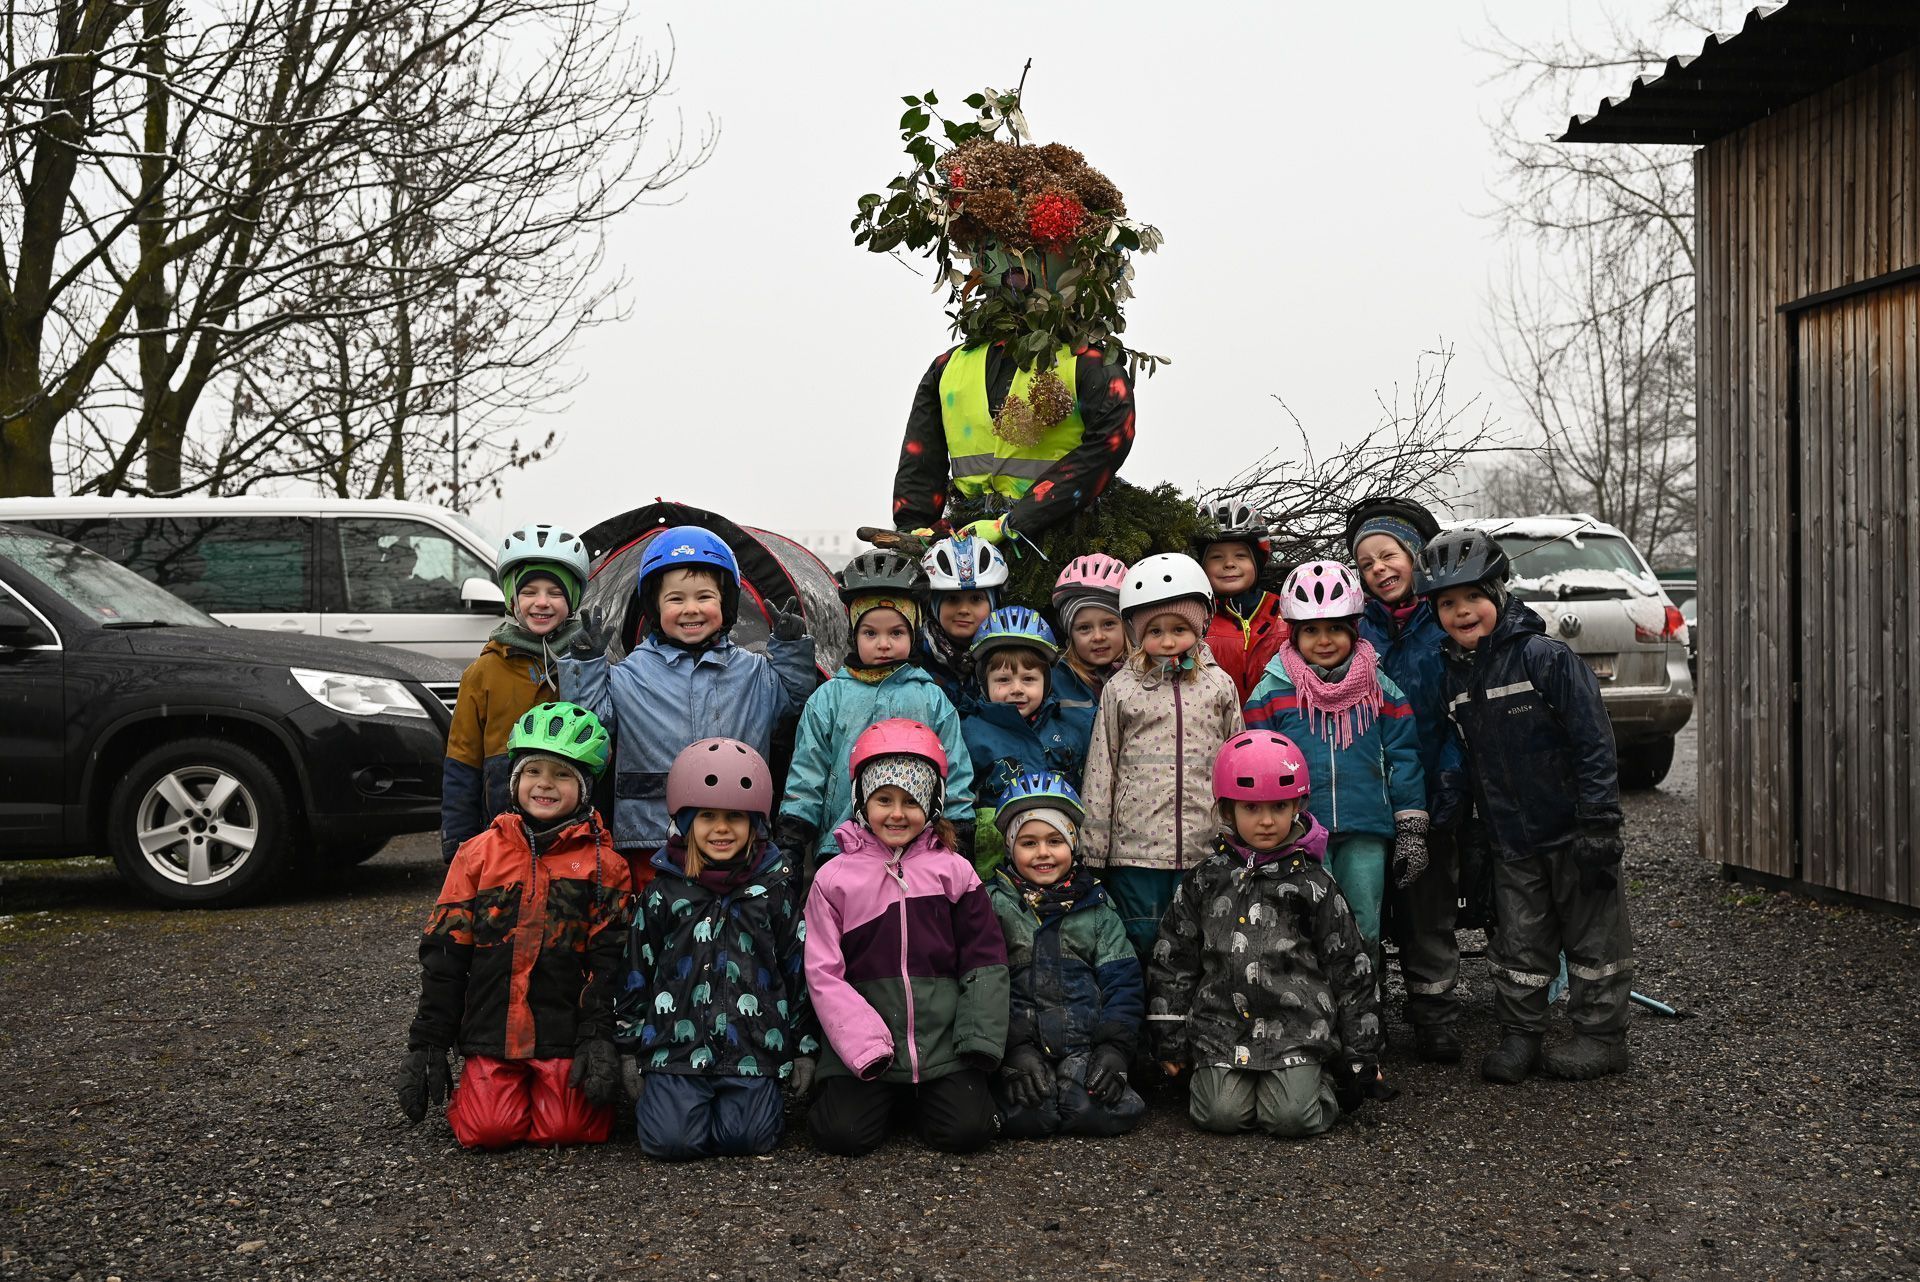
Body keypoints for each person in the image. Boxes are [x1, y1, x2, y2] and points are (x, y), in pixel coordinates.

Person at [1418, 528, 1634, 1084]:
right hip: (1511, 841)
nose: (1462, 612)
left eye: (1473, 597)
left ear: (1498, 593)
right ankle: (1521, 1034)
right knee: (1519, 942)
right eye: (1447, 603)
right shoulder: (1451, 677)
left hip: (1572, 833)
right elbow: (1461, 757)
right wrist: (1450, 818)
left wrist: (1600, 823)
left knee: (1594, 940)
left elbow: (1594, 742)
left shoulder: (1545, 658)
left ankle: (1601, 1037)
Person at [398, 702, 632, 1150]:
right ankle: (486, 1088)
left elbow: (610, 963)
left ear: (585, 788)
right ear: (514, 780)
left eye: (562, 775)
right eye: (533, 771)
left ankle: (549, 1090)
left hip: (561, 1034)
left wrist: (597, 1036)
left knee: (569, 1130)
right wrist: (428, 1040)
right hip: (493, 1032)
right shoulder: (477, 855)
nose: (545, 784)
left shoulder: (606, 866)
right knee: (489, 1131)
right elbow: (445, 954)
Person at [1147, 731, 1388, 1138]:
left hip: (1297, 1029)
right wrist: (1169, 1038)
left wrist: (1361, 1054)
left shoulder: (1314, 883)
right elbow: (1174, 958)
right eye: (1252, 807)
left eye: (1279, 806)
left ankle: (1321, 1080)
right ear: (1227, 808)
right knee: (1219, 1115)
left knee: (1291, 1119)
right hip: (1221, 1028)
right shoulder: (1205, 881)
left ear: (1297, 806)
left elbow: (1350, 964)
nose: (1266, 820)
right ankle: (1233, 1084)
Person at [560, 526, 815, 889]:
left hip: (738, 839)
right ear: (653, 606)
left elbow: (795, 705)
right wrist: (586, 665)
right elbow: (586, 727)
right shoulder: (628, 675)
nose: (691, 609)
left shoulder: (756, 673)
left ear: (727, 603)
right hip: (651, 842)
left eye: (704, 597)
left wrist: (790, 649)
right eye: (675, 599)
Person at [804, 719, 1008, 1156]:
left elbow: (985, 958)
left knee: (968, 1132)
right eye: (884, 800)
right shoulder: (833, 879)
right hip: (864, 1044)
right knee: (842, 1135)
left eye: (911, 801)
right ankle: (883, 1097)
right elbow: (823, 973)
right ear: (861, 800)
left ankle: (921, 1098)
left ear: (933, 804)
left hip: (941, 1044)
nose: (897, 814)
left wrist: (976, 1038)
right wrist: (862, 1046)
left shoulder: (954, 871)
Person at [616, 738, 817, 1160]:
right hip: (675, 1049)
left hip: (753, 1049)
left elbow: (797, 970)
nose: (721, 828)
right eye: (707, 816)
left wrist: (803, 1047)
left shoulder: (774, 891)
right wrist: (629, 1047)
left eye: (734, 817)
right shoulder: (663, 893)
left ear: (755, 824)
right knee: (671, 1143)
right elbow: (637, 969)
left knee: (746, 1140)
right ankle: (679, 1103)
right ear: (686, 821)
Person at [1243, 560, 1428, 966]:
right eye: (1311, 630)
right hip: (1300, 829)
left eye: (1335, 629)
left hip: (1366, 827)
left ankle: (1364, 997)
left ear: (1353, 630)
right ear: (1294, 634)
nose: (1324, 640)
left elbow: (1403, 756)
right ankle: (1311, 1002)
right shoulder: (1271, 691)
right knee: (1305, 924)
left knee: (1363, 924)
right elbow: (1255, 759)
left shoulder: (1380, 688)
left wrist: (1411, 827)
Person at [1080, 553, 1246, 960]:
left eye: (1179, 629)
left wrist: (1238, 833)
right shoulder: (1121, 688)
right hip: (1136, 849)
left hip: (1205, 844)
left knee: (1203, 943)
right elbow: (1102, 766)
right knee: (1144, 943)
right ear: (1137, 632)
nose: (1168, 641)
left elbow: (1236, 759)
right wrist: (1093, 846)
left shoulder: (1218, 685)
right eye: (1155, 630)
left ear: (1200, 626)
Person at [1347, 495, 1465, 1064]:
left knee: (1427, 912)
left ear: (1416, 555)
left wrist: (1451, 782)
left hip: (1433, 787)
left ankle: (1434, 1013)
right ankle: (1364, 1015)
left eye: (1388, 555)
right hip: (1368, 795)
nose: (1379, 569)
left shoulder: (1442, 621)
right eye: (1366, 563)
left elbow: (1460, 710)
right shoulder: (1355, 627)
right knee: (1363, 911)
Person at [778, 550, 975, 872]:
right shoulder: (829, 698)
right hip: (843, 846)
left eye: (896, 633)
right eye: (870, 633)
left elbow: (954, 768)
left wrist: (960, 829)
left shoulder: (932, 699)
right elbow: (808, 770)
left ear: (913, 634)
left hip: (920, 847)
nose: (883, 644)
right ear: (854, 635)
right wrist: (793, 837)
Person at [986, 772, 1147, 1140]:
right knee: (1028, 1118)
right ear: (1010, 848)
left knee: (1090, 1112)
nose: (1043, 852)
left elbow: (1123, 983)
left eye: (1055, 840)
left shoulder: (1097, 909)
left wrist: (1115, 1048)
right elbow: (982, 985)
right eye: (1029, 842)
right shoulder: (992, 905)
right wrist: (1011, 1047)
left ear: (1073, 844)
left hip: (1083, 1047)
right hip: (1021, 1047)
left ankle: (1079, 1082)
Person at [440, 523, 590, 862]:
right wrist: (458, 844)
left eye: (555, 592)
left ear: (573, 599)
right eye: (529, 592)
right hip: (499, 837)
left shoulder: (588, 664)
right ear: (511, 596)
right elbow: (462, 764)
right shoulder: (483, 672)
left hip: (573, 840)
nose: (542, 602)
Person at [960, 606, 1088, 875]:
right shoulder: (970, 733)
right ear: (984, 682)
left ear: (1047, 682)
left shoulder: (1066, 732)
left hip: (1053, 855)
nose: (1016, 689)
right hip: (992, 858)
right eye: (1003, 680)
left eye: (1029, 679)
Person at [1192, 501, 1289, 704]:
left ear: (1257, 562)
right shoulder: (1194, 619)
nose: (1229, 563)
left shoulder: (1286, 613)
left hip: (1277, 721)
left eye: (1240, 555)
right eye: (1217, 557)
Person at [911, 533, 1007, 705]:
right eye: (952, 599)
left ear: (994, 603)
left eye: (976, 599)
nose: (964, 610)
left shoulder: (1008, 654)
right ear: (933, 604)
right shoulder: (913, 656)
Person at [1048, 553, 1129, 755]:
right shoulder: (1055, 681)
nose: (1098, 636)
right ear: (1070, 634)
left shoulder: (1144, 676)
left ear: (1127, 627)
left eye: (1109, 624)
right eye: (1084, 628)